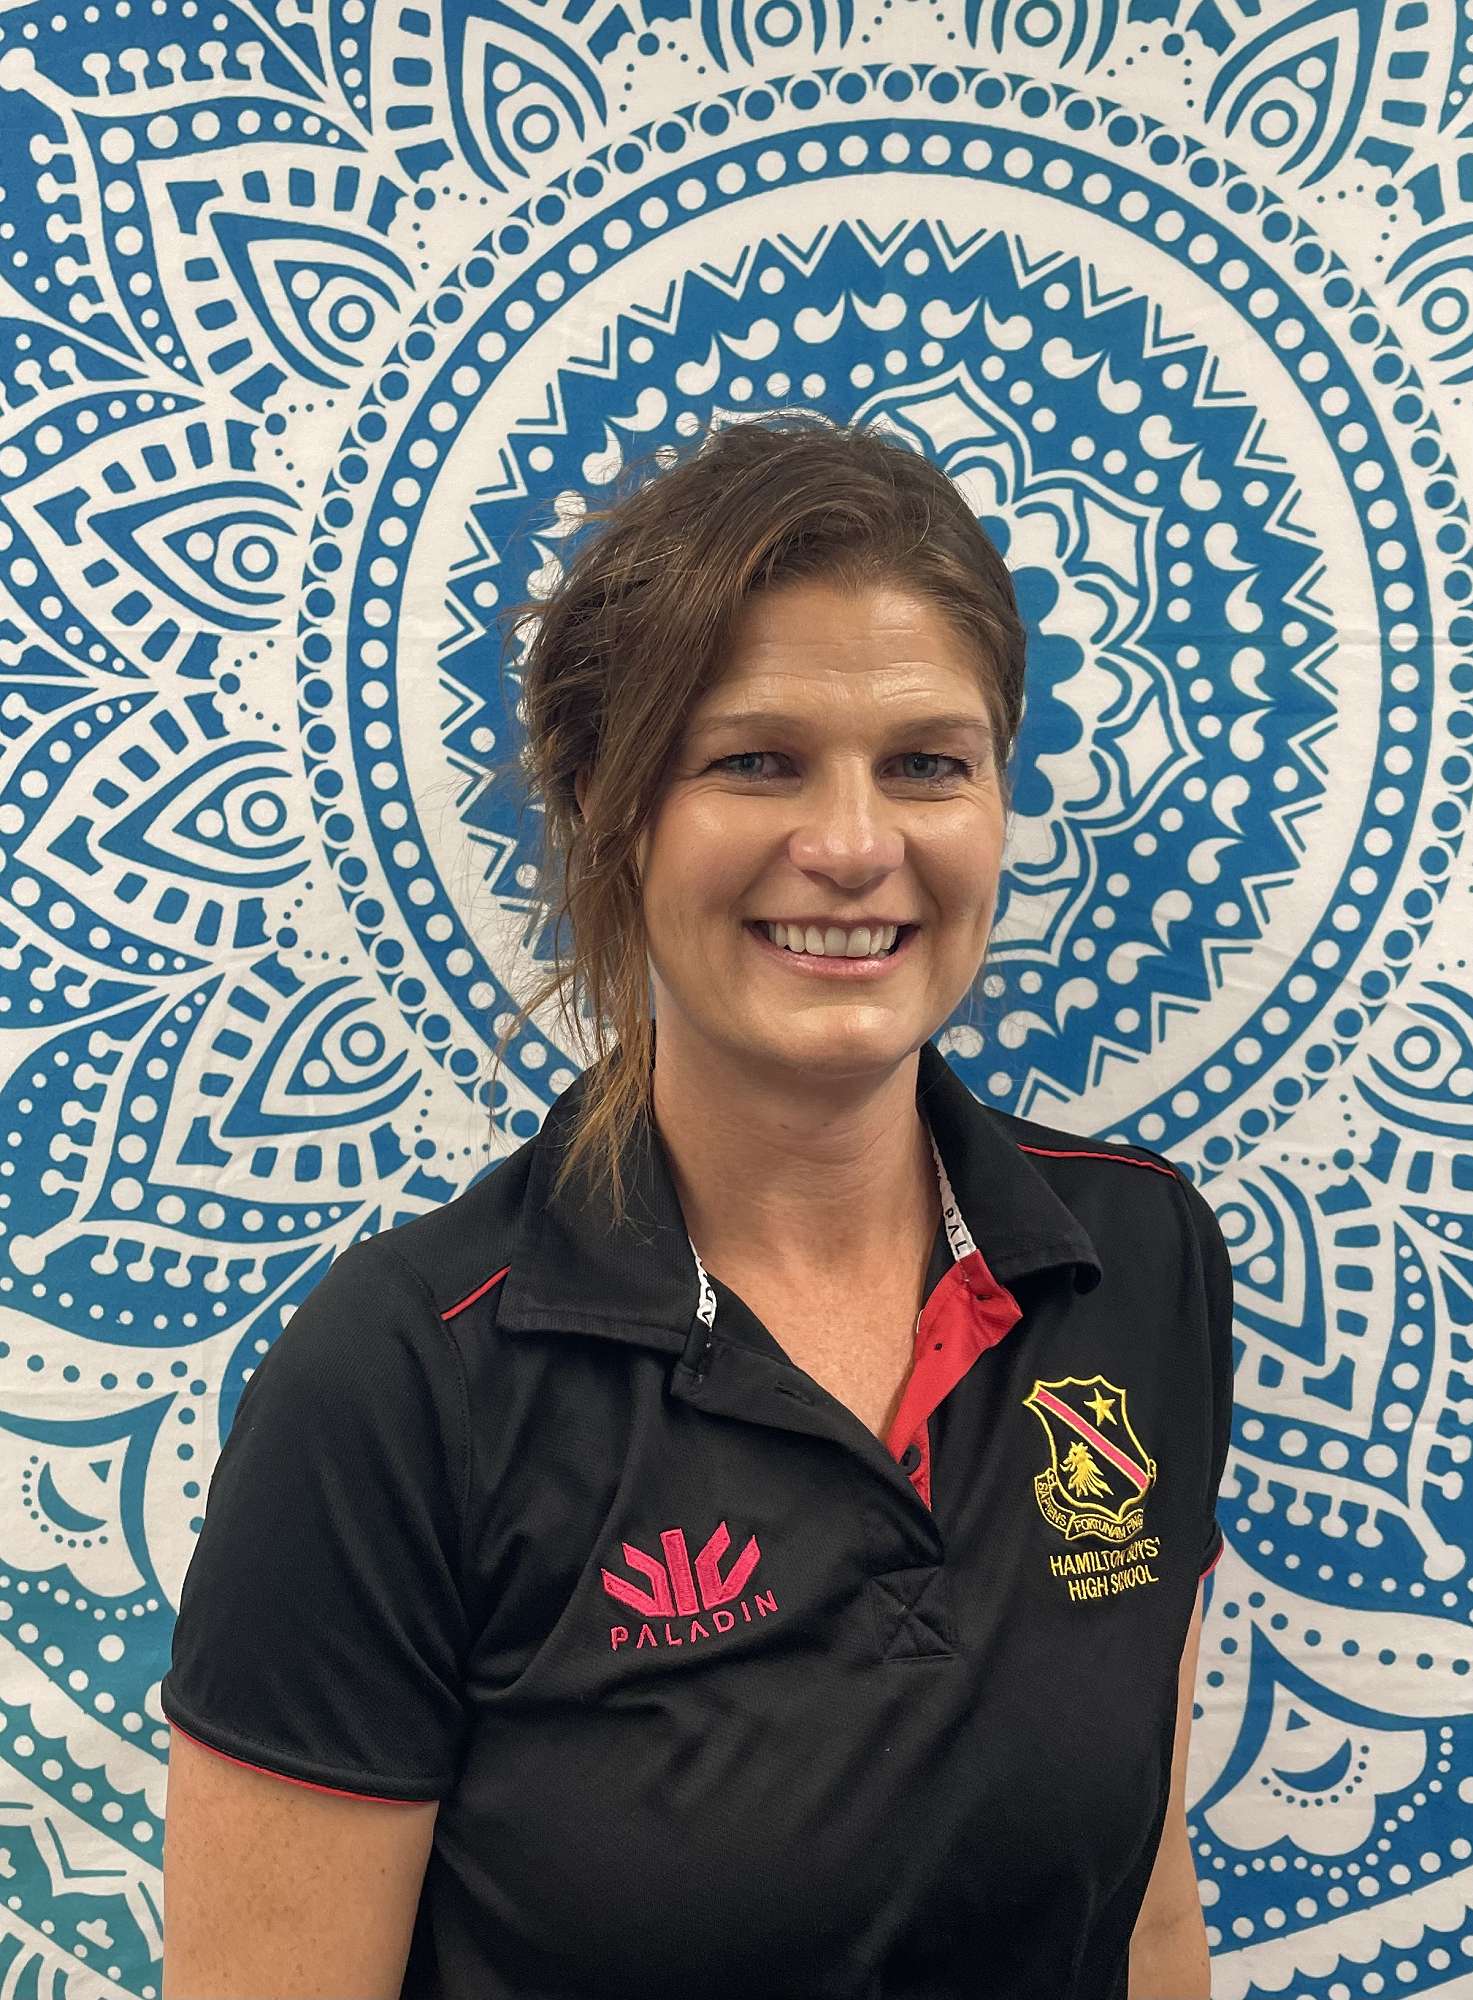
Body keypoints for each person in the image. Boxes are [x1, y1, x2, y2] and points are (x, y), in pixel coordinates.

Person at [160, 414, 1233, 2000]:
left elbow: (1141, 1915)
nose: (853, 846)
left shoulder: (1137, 1259)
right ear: (605, 805)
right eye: (754, 760)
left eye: (926, 763)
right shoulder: (404, 1379)